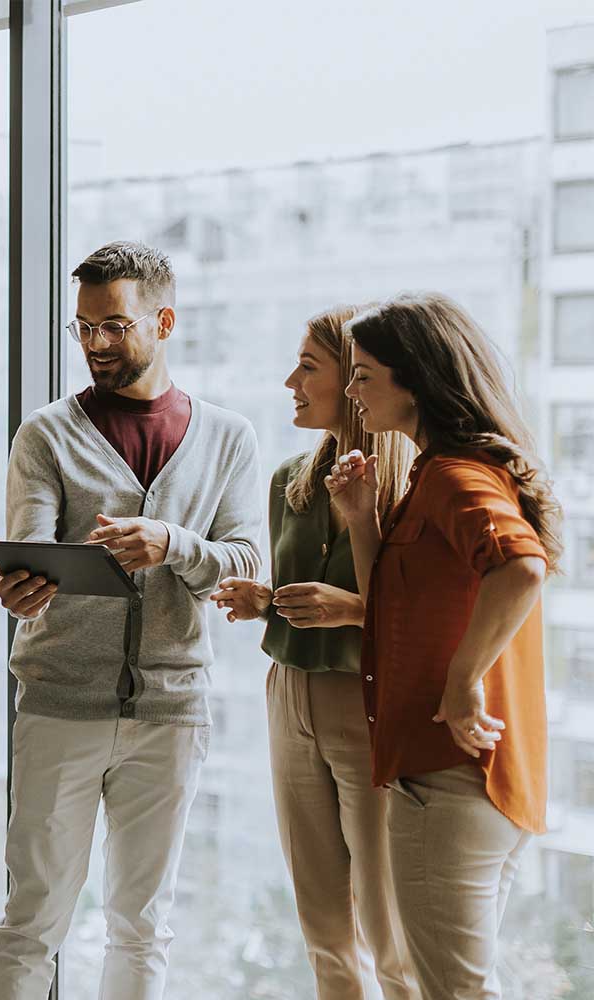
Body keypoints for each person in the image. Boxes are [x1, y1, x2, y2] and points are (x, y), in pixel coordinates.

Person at [0, 241, 263, 1000]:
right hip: (58, 703)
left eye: (113, 326)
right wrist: (25, 586)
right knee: (31, 919)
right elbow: (32, 548)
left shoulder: (228, 438)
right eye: (82, 328)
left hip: (172, 711)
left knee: (143, 923)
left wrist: (171, 543)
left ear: (164, 320)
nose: (95, 345)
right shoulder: (46, 434)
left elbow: (247, 560)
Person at [326, 292, 561, 1000]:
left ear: (416, 379)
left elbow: (521, 568)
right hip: (472, 782)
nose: (351, 391)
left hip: (449, 778)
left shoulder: (454, 476)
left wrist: (462, 682)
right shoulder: (436, 474)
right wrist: (363, 524)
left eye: (364, 374)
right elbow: (390, 614)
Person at [211, 306, 418, 1000]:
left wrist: (352, 609)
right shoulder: (289, 483)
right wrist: (264, 600)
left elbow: (422, 611)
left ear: (353, 380)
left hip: (363, 704)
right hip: (287, 694)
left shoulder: (408, 486)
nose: (290, 381)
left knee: (390, 927)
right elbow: (309, 590)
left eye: (308, 366)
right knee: (322, 925)